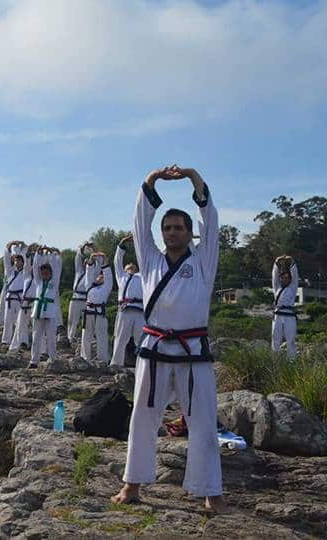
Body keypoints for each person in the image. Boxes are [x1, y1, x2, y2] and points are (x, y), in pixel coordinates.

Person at [112, 165, 227, 513]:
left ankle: (211, 493)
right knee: (142, 417)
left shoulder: (203, 261)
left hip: (193, 353)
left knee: (203, 421)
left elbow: (212, 223)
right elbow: (139, 224)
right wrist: (151, 181)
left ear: (191, 233)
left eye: (178, 227)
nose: (171, 232)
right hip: (155, 349)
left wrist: (194, 178)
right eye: (167, 227)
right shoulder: (150, 261)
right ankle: (132, 484)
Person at [111, 235, 145, 369]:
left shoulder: (142, 276)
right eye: (128, 265)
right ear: (125, 269)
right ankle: (116, 364)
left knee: (142, 340)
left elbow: (147, 260)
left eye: (133, 264)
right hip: (125, 310)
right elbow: (117, 261)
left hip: (140, 311)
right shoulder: (122, 276)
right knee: (120, 338)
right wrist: (121, 245)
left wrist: (140, 243)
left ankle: (144, 366)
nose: (131, 263)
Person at [29, 246, 62, 367]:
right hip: (38, 311)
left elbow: (56, 269)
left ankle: (53, 359)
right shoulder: (38, 282)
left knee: (51, 337)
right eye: (43, 273)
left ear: (50, 273)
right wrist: (38, 254)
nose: (44, 275)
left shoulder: (54, 282)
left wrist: (51, 254)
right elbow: (35, 268)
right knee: (36, 337)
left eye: (47, 273)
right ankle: (34, 361)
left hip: (50, 312)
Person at [80, 253, 113, 366]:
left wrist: (105, 260)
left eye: (103, 276)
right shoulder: (89, 285)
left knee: (102, 337)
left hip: (100, 313)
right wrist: (91, 260)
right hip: (89, 312)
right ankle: (85, 358)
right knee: (86, 337)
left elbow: (108, 275)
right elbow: (89, 273)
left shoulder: (106, 287)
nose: (101, 277)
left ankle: (103, 360)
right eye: (99, 275)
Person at [11, 243, 39, 352]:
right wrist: (29, 250)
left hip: (34, 303)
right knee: (20, 325)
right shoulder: (26, 275)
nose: (31, 268)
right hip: (24, 302)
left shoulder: (39, 279)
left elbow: (38, 263)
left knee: (36, 327)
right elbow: (27, 262)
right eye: (31, 266)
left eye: (34, 267)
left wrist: (38, 253)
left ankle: (40, 350)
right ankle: (17, 345)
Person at [272, 255, 300, 359]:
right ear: (280, 279)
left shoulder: (292, 288)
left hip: (290, 316)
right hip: (278, 316)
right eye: (283, 278)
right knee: (275, 339)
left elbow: (295, 277)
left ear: (289, 279)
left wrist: (292, 262)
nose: (285, 279)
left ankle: (292, 360)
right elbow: (274, 277)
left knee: (291, 340)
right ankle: (275, 360)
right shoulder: (277, 288)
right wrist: (276, 263)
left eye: (287, 278)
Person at [0, 241, 26, 346]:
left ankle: (22, 341)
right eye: (16, 260)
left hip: (20, 297)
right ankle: (6, 340)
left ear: (23, 262)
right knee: (7, 320)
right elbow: (6, 259)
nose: (17, 262)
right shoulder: (10, 271)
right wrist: (9, 246)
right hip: (10, 297)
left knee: (21, 320)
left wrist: (23, 247)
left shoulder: (26, 272)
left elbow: (26, 257)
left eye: (19, 260)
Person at [67, 242, 93, 343]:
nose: (86, 263)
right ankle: (70, 337)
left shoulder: (92, 274)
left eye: (88, 262)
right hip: (75, 298)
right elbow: (78, 258)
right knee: (72, 320)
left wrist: (93, 249)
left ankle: (85, 339)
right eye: (85, 262)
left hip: (86, 300)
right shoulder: (79, 272)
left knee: (86, 322)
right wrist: (83, 247)